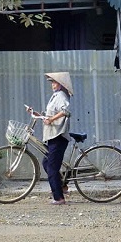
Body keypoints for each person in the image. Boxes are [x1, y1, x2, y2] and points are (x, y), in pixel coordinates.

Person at [28, 72, 73, 205]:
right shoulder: (55, 96)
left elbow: (66, 111)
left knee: (52, 167)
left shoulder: (61, 95)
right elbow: (48, 115)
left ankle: (59, 198)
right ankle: (62, 186)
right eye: (52, 82)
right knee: (46, 164)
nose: (52, 85)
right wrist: (35, 113)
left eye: (54, 82)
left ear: (61, 84)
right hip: (53, 135)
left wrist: (51, 119)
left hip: (58, 135)